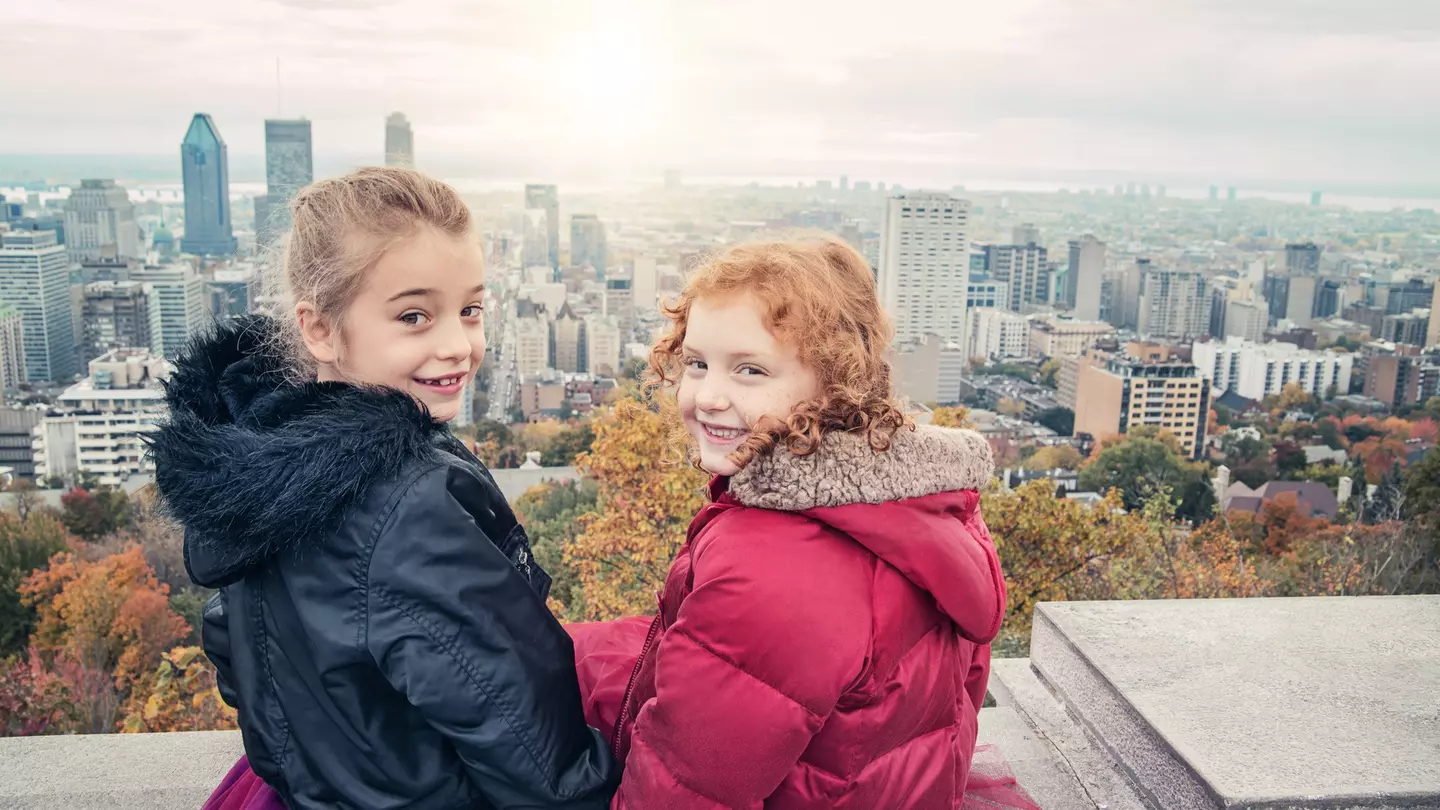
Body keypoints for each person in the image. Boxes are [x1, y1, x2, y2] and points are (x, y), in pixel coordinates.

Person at [149, 167, 619, 810]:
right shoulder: (411, 507)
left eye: (471, 310)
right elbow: (531, 750)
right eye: (415, 316)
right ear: (320, 329)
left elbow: (233, 642)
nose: (458, 345)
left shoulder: (255, 461)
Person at [570, 236, 1025, 809]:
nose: (708, 395)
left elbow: (686, 789)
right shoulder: (920, 502)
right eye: (696, 363)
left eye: (751, 370)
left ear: (834, 383)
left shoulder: (767, 571)